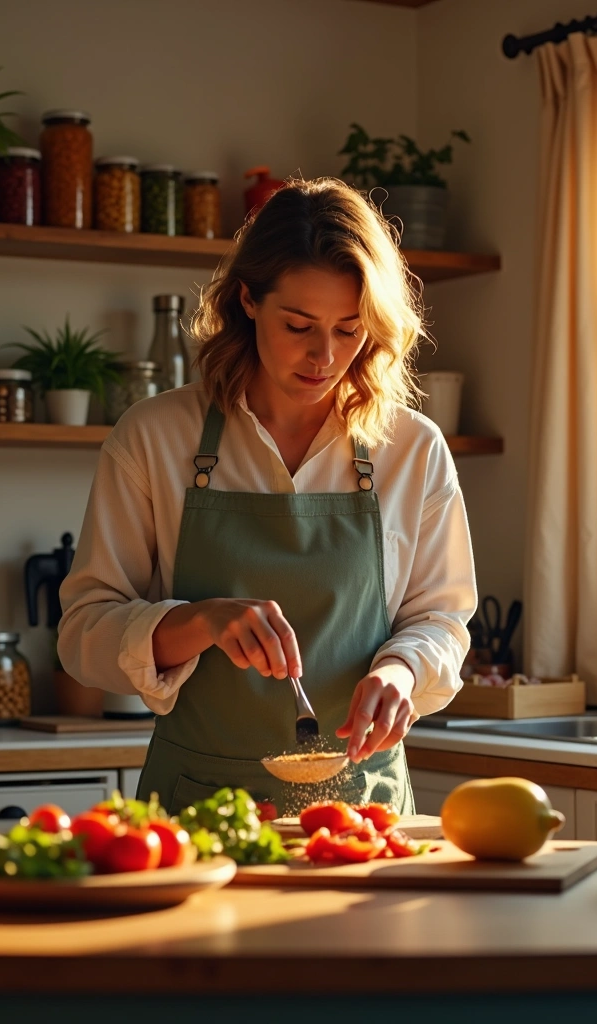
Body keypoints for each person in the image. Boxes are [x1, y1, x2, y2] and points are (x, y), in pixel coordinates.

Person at [57, 177, 476, 814]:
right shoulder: (155, 436)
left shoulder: (410, 448)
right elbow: (82, 631)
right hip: (197, 809)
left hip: (363, 808)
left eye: (349, 329)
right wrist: (199, 622)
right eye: (299, 324)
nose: (325, 356)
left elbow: (441, 620)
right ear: (248, 300)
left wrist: (402, 672)